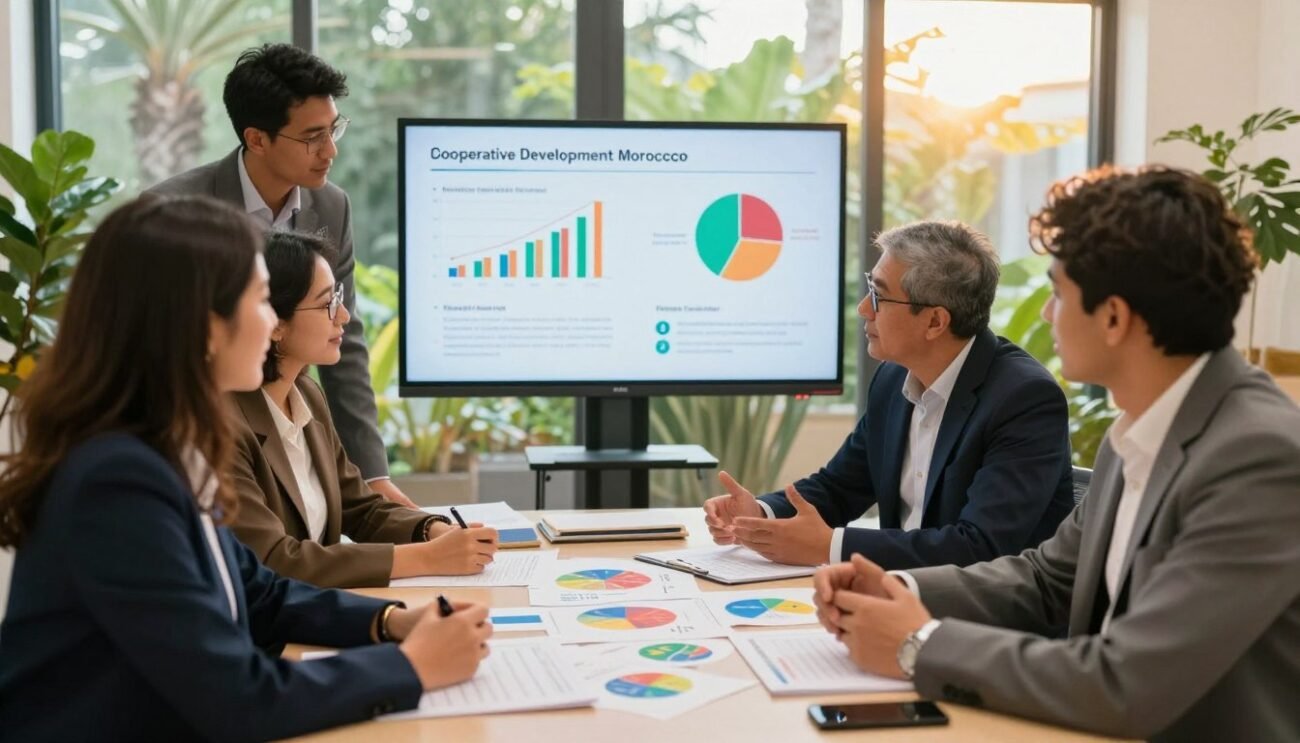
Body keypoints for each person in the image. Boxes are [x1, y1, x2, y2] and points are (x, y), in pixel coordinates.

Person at [813, 166, 1300, 742]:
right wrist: (903, 592)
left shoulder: (1258, 456)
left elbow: (1127, 683)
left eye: (1058, 293)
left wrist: (918, 643)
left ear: (1114, 318)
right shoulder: (1141, 427)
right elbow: (1047, 579)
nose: (1046, 315)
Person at [0, 196, 491, 741]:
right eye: (261, 301)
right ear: (205, 326)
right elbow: (237, 698)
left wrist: (390, 622)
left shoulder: (162, 445)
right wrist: (413, 666)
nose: (271, 320)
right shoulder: (115, 482)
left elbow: (260, 592)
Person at [704, 220, 1074, 568]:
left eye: (879, 297)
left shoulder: (1024, 398)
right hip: (900, 596)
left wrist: (830, 546)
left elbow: (980, 547)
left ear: (934, 321)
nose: (864, 309)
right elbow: (840, 487)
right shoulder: (893, 378)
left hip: (983, 619)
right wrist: (760, 513)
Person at [147, 43, 416, 508]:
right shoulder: (176, 212)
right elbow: (158, 347)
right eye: (312, 137)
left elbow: (344, 339)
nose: (329, 150)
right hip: (198, 443)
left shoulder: (331, 206)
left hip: (289, 435)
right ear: (256, 139)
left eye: (334, 130)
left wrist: (372, 474)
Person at [228, 230, 498, 588]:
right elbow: (276, 559)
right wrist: (428, 557)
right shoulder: (224, 423)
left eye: (338, 297)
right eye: (326, 303)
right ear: (275, 323)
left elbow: (359, 507)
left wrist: (431, 529)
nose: (342, 316)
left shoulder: (307, 394)